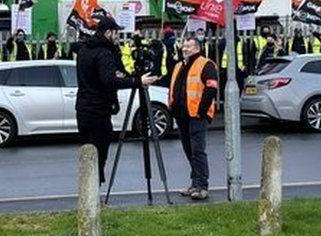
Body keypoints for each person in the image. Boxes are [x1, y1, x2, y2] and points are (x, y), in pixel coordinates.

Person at [75, 17, 158, 183]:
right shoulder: (104, 52)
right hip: (98, 110)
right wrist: (137, 82)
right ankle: (94, 194)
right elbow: (109, 79)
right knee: (99, 154)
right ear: (108, 32)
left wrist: (125, 75)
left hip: (83, 108)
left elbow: (107, 75)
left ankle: (88, 193)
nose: (117, 36)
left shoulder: (84, 50)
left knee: (88, 153)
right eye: (115, 33)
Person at [170, 36, 219, 201]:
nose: (184, 49)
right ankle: (194, 183)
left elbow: (211, 88)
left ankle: (202, 186)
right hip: (182, 115)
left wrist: (201, 111)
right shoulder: (179, 65)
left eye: (189, 47)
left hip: (197, 115)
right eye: (184, 46)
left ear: (197, 48)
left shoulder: (206, 64)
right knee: (189, 150)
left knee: (198, 151)